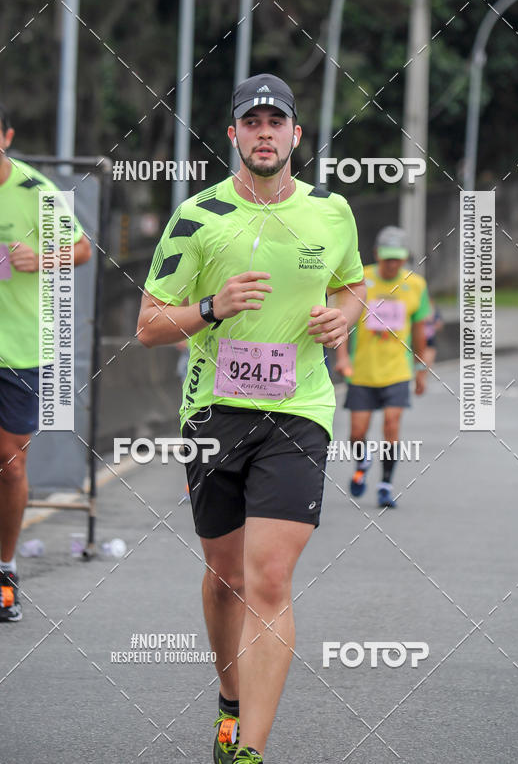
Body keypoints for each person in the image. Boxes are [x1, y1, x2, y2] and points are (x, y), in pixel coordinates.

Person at [137, 73, 365, 764]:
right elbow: (148, 324)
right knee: (226, 575)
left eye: (277, 122)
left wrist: (343, 315)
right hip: (214, 411)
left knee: (269, 577)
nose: (264, 133)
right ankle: (230, 699)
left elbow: (355, 283)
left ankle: (250, 753)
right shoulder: (198, 218)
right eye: (251, 122)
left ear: (297, 135)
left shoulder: (332, 212)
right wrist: (211, 307)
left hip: (300, 410)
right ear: (232, 134)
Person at [0, 95, 91, 621]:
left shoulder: (34, 192)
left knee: (9, 466)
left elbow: (83, 249)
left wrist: (42, 258)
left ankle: (8, 567)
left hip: (22, 349)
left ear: (8, 140)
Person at [335, 226, 429, 508]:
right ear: (377, 254)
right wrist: (342, 357)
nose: (392, 263)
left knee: (391, 425)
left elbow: (421, 328)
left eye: (397, 258)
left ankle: (385, 484)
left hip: (397, 371)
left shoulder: (416, 285)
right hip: (362, 371)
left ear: (404, 258)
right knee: (357, 433)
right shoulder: (360, 277)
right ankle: (362, 461)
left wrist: (421, 368)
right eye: (387, 257)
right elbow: (342, 320)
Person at [423, 300, 444, 370]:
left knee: (428, 357)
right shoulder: (421, 310)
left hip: (429, 337)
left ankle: (424, 370)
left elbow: (439, 324)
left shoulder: (434, 310)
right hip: (423, 337)